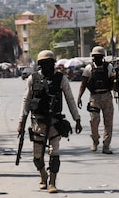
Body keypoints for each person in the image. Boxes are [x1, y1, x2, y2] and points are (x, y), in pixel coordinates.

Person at [18, 50, 82, 193]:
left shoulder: (61, 79)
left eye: (49, 63)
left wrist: (77, 119)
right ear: (40, 65)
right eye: (44, 64)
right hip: (37, 122)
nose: (47, 66)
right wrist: (21, 121)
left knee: (54, 153)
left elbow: (70, 99)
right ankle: (43, 175)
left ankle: (52, 182)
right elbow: (26, 100)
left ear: (53, 64)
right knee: (37, 156)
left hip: (54, 122)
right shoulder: (32, 79)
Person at [77, 46, 115, 154]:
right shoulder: (88, 69)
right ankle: (95, 140)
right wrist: (79, 97)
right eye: (96, 57)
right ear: (93, 57)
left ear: (103, 57)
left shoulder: (109, 67)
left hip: (106, 96)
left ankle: (106, 145)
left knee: (108, 122)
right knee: (94, 120)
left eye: (99, 57)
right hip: (94, 97)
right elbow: (83, 84)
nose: (97, 59)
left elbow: (113, 81)